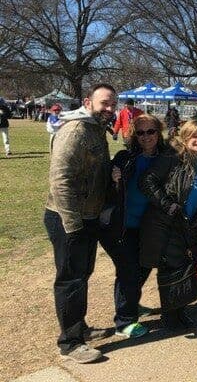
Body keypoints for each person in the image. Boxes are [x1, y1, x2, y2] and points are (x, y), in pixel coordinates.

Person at [43, 83, 117, 364]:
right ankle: (70, 343)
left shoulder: (95, 128)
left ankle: (79, 327)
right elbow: (60, 179)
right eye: (104, 103)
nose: (109, 109)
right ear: (88, 101)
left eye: (113, 104)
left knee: (81, 274)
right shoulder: (75, 131)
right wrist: (72, 224)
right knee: (70, 279)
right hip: (67, 218)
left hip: (87, 217)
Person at [100, 114, 168, 339]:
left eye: (151, 131)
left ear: (158, 133)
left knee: (144, 266)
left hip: (149, 225)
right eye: (141, 132)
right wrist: (113, 177)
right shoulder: (124, 158)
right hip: (123, 225)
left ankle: (131, 303)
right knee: (128, 271)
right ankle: (124, 322)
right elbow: (106, 188)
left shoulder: (165, 158)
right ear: (133, 135)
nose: (146, 137)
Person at [139, 120, 197, 331]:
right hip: (167, 222)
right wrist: (168, 205)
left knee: (187, 266)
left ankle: (180, 310)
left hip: (188, 223)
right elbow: (147, 181)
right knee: (171, 269)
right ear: (185, 138)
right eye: (194, 136)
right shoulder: (172, 157)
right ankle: (170, 317)